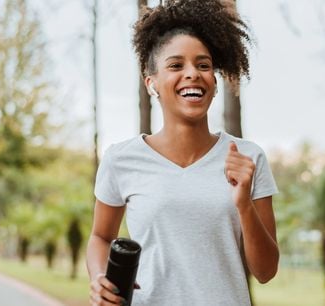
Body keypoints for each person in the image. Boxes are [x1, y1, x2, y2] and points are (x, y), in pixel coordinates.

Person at [86, 1, 279, 305]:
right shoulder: (120, 159)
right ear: (152, 83)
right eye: (176, 65)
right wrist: (99, 278)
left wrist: (243, 204)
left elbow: (266, 271)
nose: (193, 74)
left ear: (214, 83)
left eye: (203, 65)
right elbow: (100, 236)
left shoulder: (248, 158)